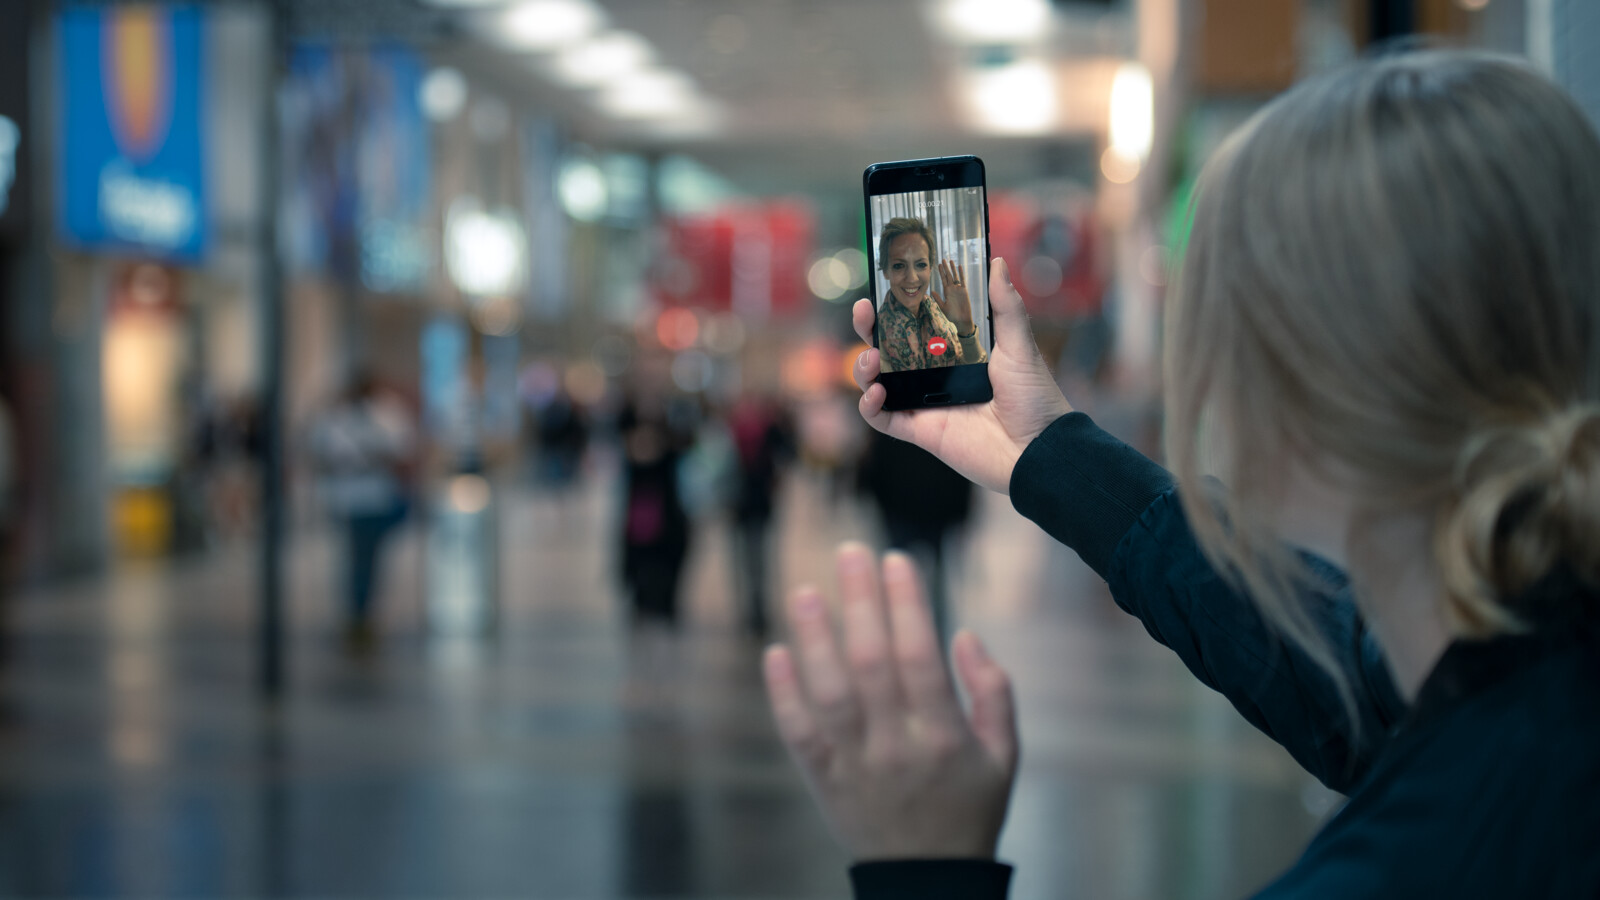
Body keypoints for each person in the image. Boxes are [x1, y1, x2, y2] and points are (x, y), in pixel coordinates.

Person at [762, 51, 1600, 898]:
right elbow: (1345, 679)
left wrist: (928, 870)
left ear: (1288, 394)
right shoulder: (1536, 676)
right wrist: (1046, 454)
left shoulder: (1408, 862)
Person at [311, 373, 415, 651]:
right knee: (368, 559)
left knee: (356, 558)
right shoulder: (386, 415)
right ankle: (361, 613)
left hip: (348, 498)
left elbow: (319, 454)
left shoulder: (336, 417)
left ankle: (358, 612)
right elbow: (403, 454)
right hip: (373, 497)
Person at [874, 217, 987, 373]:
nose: (912, 278)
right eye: (899, 266)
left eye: (921, 265)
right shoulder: (876, 332)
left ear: (930, 268)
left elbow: (977, 375)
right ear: (886, 271)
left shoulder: (945, 317)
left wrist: (966, 330)